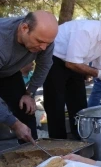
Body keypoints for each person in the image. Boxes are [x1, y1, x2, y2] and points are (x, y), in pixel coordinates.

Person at [43, 11, 101, 139]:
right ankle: (58, 146)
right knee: (56, 106)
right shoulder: (87, 30)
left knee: (79, 106)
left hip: (77, 64)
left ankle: (80, 141)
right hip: (55, 60)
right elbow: (71, 63)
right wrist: (98, 73)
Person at [0, 11, 58, 143]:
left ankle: (32, 156)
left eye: (47, 44)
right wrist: (14, 123)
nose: (44, 48)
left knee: (26, 109)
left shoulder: (45, 38)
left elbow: (44, 65)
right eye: (40, 42)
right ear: (24, 28)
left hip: (8, 72)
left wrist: (29, 93)